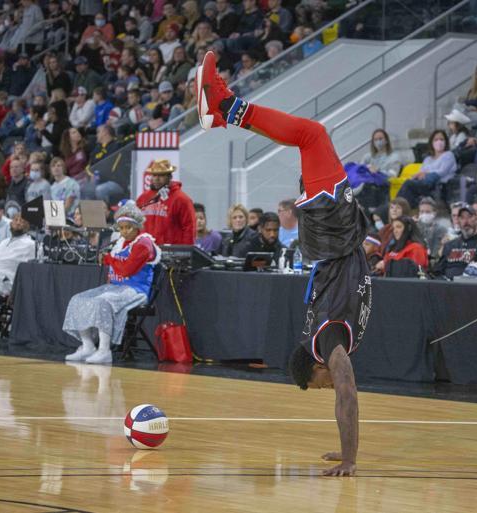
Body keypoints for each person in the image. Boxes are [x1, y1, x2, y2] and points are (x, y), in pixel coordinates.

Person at [197, 50, 370, 476]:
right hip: (338, 240)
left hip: (334, 240)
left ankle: (225, 108)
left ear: (316, 367)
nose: (328, 385)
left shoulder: (327, 343)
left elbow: (346, 390)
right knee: (309, 135)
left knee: (311, 134)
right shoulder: (326, 338)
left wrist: (349, 458)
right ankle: (223, 112)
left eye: (319, 383)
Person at [63, 202, 161, 365]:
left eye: (128, 227)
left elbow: (127, 270)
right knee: (79, 299)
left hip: (136, 290)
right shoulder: (119, 243)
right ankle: (88, 346)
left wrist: (108, 259)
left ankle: (104, 350)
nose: (124, 231)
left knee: (103, 301)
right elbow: (113, 271)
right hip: (116, 286)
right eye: (121, 227)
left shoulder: (144, 243)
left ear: (137, 226)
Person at [136, 159, 196, 245]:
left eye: (161, 175)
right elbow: (135, 224)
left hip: (171, 253)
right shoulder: (143, 198)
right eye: (154, 175)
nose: (156, 179)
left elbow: (189, 228)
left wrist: (185, 253)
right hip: (146, 251)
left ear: (170, 177)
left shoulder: (182, 199)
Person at [396, 130, 457, 208]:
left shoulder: (449, 155)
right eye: (436, 140)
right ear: (431, 142)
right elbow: (421, 173)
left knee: (408, 184)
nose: (439, 142)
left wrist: (426, 173)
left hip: (439, 186)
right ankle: (398, 207)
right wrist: (420, 175)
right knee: (408, 187)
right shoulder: (427, 159)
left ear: (446, 142)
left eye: (442, 139)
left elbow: (442, 171)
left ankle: (398, 207)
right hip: (425, 184)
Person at [355, 129, 401, 211]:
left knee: (369, 187)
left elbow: (393, 174)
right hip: (366, 183)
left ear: (386, 140)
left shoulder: (394, 157)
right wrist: (367, 168)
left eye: (380, 139)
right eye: (375, 140)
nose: (378, 142)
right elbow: (359, 169)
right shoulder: (368, 156)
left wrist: (378, 171)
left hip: (383, 185)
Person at [433, 203, 477, 279]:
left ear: (476, 219)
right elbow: (438, 270)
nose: (466, 221)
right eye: (462, 217)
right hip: (449, 286)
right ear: (458, 221)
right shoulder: (450, 245)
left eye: (469, 217)